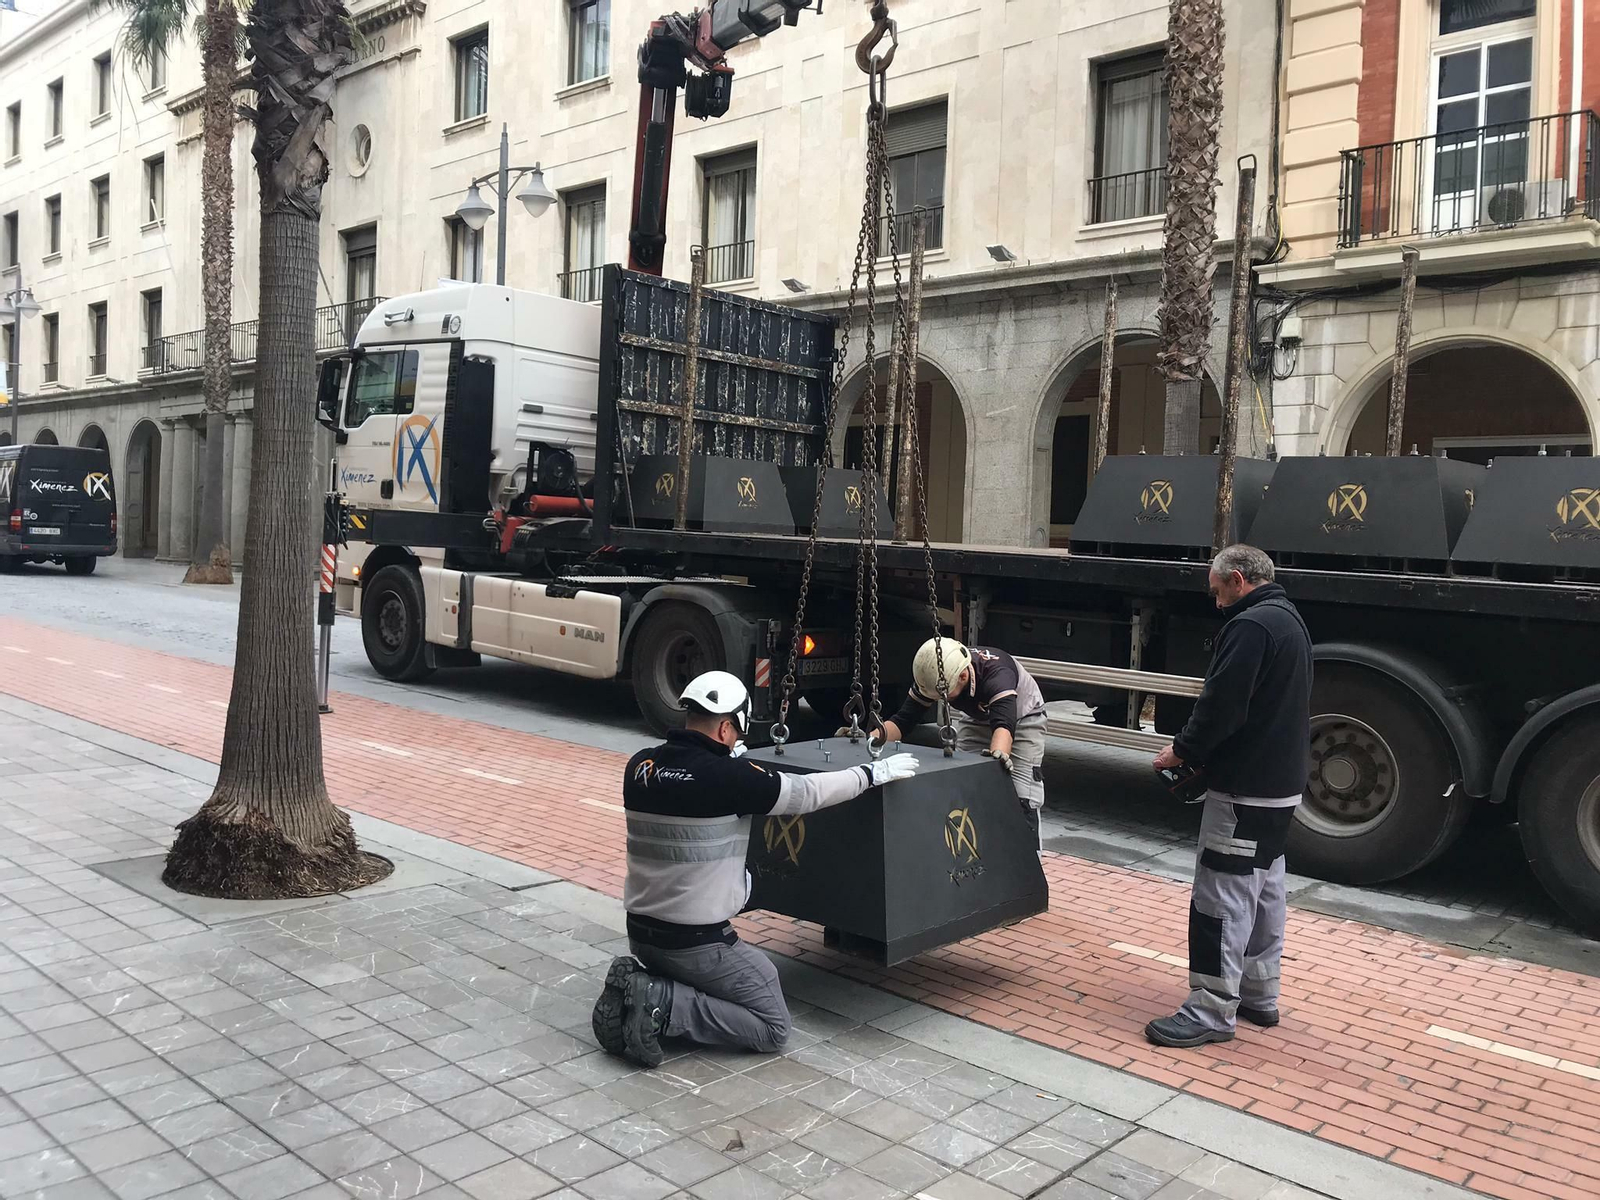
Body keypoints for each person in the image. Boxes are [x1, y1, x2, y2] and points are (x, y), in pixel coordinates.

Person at [592, 670, 919, 1068]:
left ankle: (643, 987)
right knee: (772, 1026)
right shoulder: (730, 777)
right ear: (728, 727)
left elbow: (687, 785)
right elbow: (807, 794)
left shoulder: (639, 766)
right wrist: (869, 774)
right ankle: (663, 1003)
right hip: (696, 943)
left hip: (641, 934)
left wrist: (733, 769)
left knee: (720, 983)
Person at [1146, 544, 1312, 1049]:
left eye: (1218, 592)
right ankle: (1259, 996)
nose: (1216, 604)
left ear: (1238, 579)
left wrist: (1180, 751)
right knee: (1264, 892)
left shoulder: (1250, 627)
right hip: (1281, 790)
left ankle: (1210, 1011)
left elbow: (1221, 704)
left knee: (1221, 898)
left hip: (1243, 790)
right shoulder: (1290, 620)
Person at [846, 638, 1049, 842]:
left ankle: (1032, 857)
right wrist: (866, 739)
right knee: (964, 786)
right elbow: (903, 721)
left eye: (944, 696)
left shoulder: (997, 675)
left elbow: (1004, 726)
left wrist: (999, 756)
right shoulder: (934, 672)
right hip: (978, 718)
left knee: (1021, 793)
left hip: (1023, 719)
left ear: (962, 676)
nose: (941, 700)